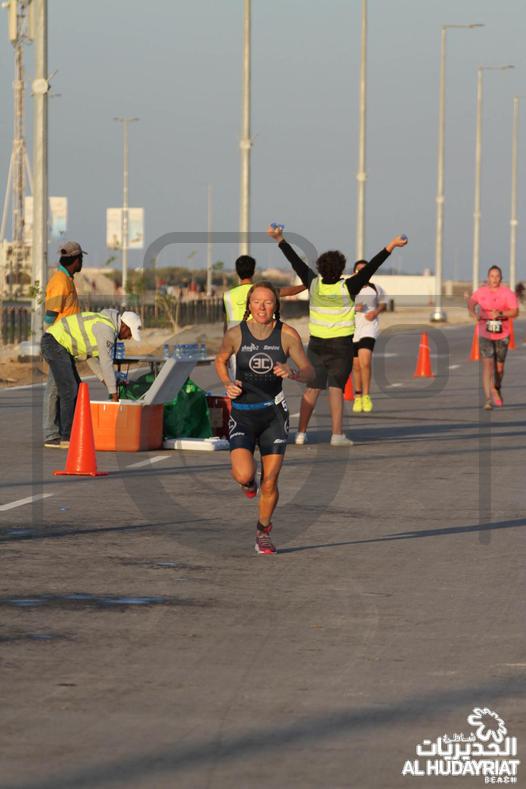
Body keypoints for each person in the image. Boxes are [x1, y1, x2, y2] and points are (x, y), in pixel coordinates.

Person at [267, 224, 407, 445]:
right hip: (341, 346)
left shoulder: (313, 284)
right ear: (342, 268)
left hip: (316, 345)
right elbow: (372, 266)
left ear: (320, 268)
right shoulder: (348, 286)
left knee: (312, 389)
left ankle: (301, 433)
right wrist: (391, 245)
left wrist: (280, 239)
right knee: (335, 389)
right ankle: (337, 434)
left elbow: (295, 261)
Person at [215, 282, 314, 555]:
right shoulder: (236, 334)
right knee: (244, 474)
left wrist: (292, 372)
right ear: (249, 305)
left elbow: (310, 371)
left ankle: (263, 531)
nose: (262, 307)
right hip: (242, 414)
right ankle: (249, 484)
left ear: (276, 306)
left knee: (270, 481)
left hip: (274, 416)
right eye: (257, 302)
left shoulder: (287, 335)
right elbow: (220, 360)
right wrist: (227, 382)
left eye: (268, 302)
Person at [41, 309, 142, 448]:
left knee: (68, 389)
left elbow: (91, 358)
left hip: (57, 344)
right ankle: (67, 436)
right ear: (124, 326)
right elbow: (106, 363)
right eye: (130, 333)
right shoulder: (106, 329)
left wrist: (105, 381)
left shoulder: (105, 323)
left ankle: (53, 435)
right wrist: (114, 394)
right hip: (55, 343)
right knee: (69, 389)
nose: (129, 338)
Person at [42, 241, 85, 448]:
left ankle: (57, 431)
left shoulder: (66, 279)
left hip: (65, 343)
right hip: (58, 342)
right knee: (59, 388)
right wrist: (52, 341)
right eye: (81, 259)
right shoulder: (60, 281)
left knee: (62, 386)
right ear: (76, 260)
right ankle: (53, 433)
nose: (82, 263)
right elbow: (50, 316)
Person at [468, 265, 519, 410]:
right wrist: (473, 313)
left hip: (503, 333)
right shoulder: (481, 292)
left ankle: (497, 387)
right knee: (488, 365)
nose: (494, 279)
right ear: (488, 278)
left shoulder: (507, 293)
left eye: (497, 276)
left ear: (501, 278)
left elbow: (515, 312)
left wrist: (501, 314)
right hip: (485, 332)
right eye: (492, 276)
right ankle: (488, 399)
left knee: (499, 368)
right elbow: (471, 304)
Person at [351, 260, 389, 414]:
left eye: (365, 270)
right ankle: (357, 396)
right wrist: (353, 308)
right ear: (354, 272)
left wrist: (376, 312)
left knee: (365, 362)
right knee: (356, 366)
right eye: (359, 270)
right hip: (352, 329)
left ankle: (366, 396)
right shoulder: (348, 288)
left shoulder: (375, 288)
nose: (362, 272)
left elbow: (384, 302)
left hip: (369, 328)